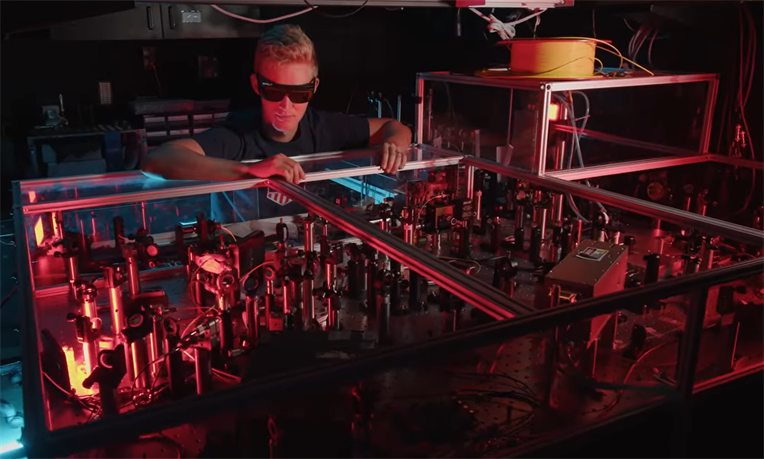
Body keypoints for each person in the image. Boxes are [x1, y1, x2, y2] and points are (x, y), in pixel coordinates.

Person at [142, 24, 412, 220]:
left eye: (299, 93)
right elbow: (159, 159)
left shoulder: (324, 128)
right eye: (274, 91)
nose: (286, 106)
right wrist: (249, 172)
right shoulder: (238, 134)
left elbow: (396, 128)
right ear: (256, 85)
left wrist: (392, 146)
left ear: (314, 88)